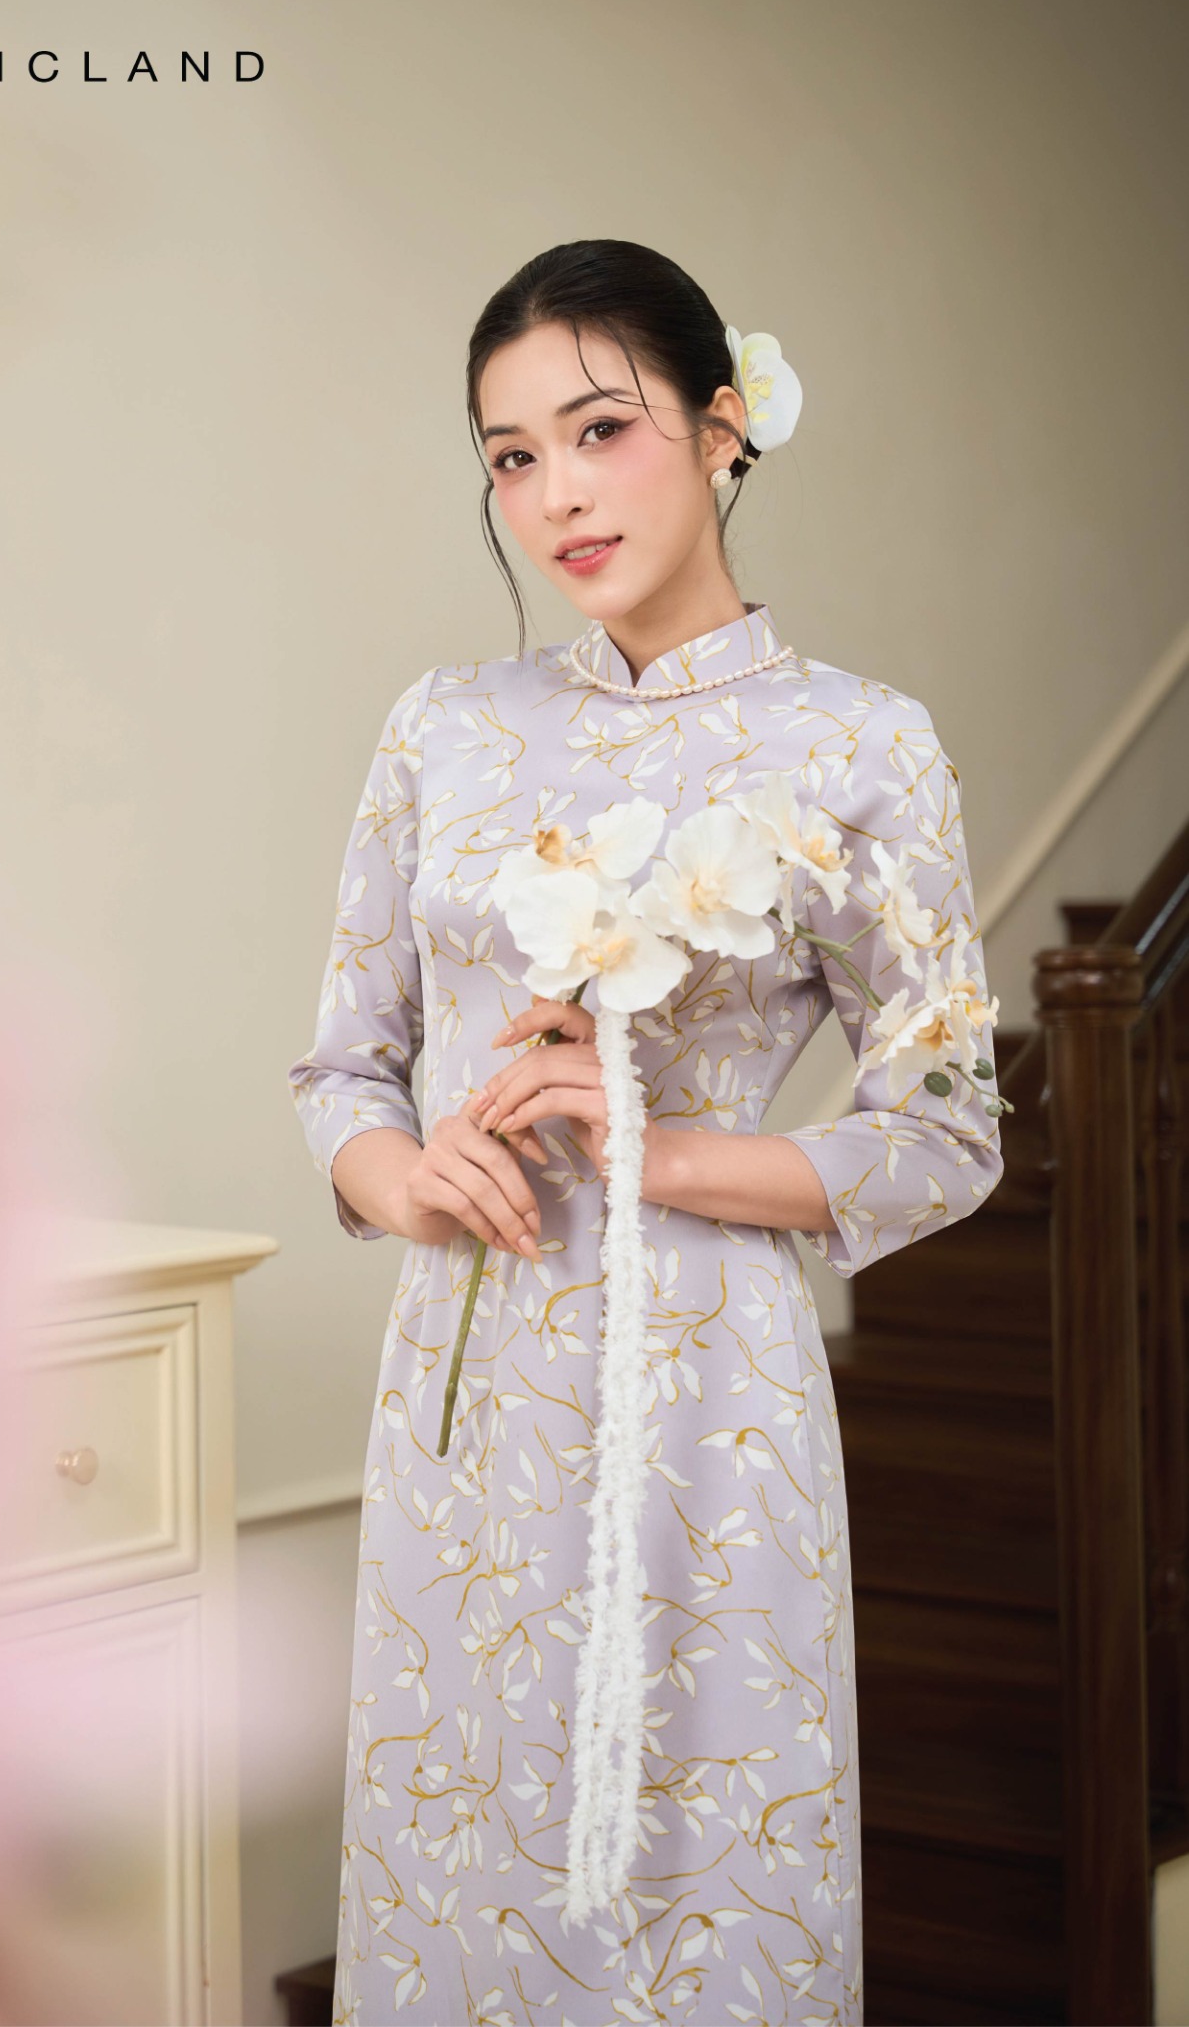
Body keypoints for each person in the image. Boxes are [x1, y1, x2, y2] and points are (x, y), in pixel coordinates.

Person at [287, 236, 1004, 2027]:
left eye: (599, 429)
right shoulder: (447, 729)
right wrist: (403, 1178)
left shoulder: (860, 745)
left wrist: (657, 1153)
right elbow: (341, 1073)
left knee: (698, 1888)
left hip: (705, 1390)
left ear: (722, 424)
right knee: (460, 1863)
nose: (557, 493)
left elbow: (944, 1130)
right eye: (511, 455)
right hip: (462, 1394)